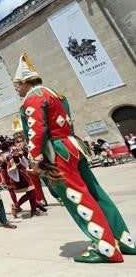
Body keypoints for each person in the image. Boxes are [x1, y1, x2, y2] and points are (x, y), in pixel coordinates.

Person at [13, 52, 136, 263]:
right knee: (96, 193)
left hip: (57, 153)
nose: (16, 89)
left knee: (77, 197)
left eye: (16, 85)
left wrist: (34, 159)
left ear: (25, 82)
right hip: (72, 146)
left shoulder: (33, 97)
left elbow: (37, 130)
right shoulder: (56, 94)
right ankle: (124, 240)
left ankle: (106, 249)